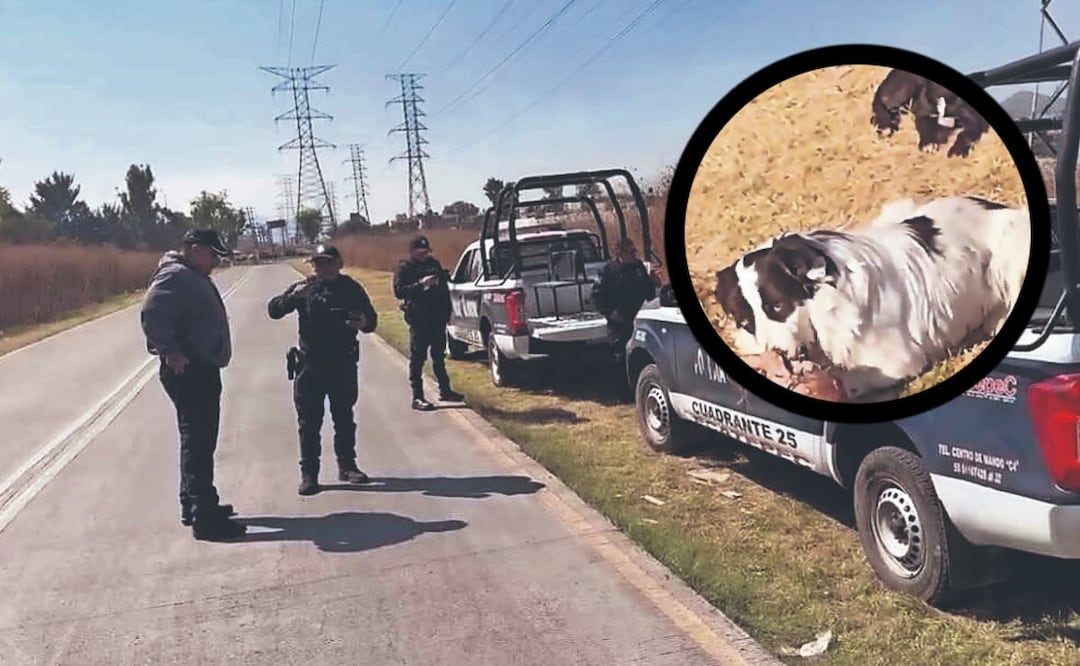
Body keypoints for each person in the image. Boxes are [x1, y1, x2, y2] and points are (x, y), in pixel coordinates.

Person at [140, 228, 245, 541]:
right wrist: (171, 351)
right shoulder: (174, 276)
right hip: (191, 371)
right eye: (211, 254)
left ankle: (195, 502)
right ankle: (205, 517)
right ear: (193, 248)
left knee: (197, 439)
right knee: (198, 442)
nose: (214, 261)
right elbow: (151, 312)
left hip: (199, 368)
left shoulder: (187, 274)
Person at [267, 244, 380, 496]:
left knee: (344, 417)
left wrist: (363, 322)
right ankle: (309, 474)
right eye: (318, 263)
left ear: (339, 264)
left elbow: (372, 321)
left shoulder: (351, 288)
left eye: (328, 263)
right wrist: (293, 297)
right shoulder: (305, 288)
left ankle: (347, 466)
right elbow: (273, 310)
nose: (323, 268)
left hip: (342, 362)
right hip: (310, 364)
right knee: (309, 422)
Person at [392, 235, 464, 412]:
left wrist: (448, 311)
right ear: (412, 252)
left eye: (426, 251)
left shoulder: (433, 264)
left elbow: (443, 290)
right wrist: (421, 284)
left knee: (439, 356)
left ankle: (445, 390)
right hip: (419, 319)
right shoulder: (405, 268)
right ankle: (417, 397)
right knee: (418, 359)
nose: (424, 254)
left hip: (437, 318)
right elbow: (399, 292)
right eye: (420, 251)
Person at [591, 237, 661, 377]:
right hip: (619, 321)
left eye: (635, 251)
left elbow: (649, 292)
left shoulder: (638, 267)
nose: (634, 254)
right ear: (620, 254)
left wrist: (655, 283)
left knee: (642, 354)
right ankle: (622, 394)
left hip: (639, 317)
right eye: (631, 252)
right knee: (621, 356)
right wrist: (611, 314)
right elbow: (596, 296)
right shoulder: (608, 271)